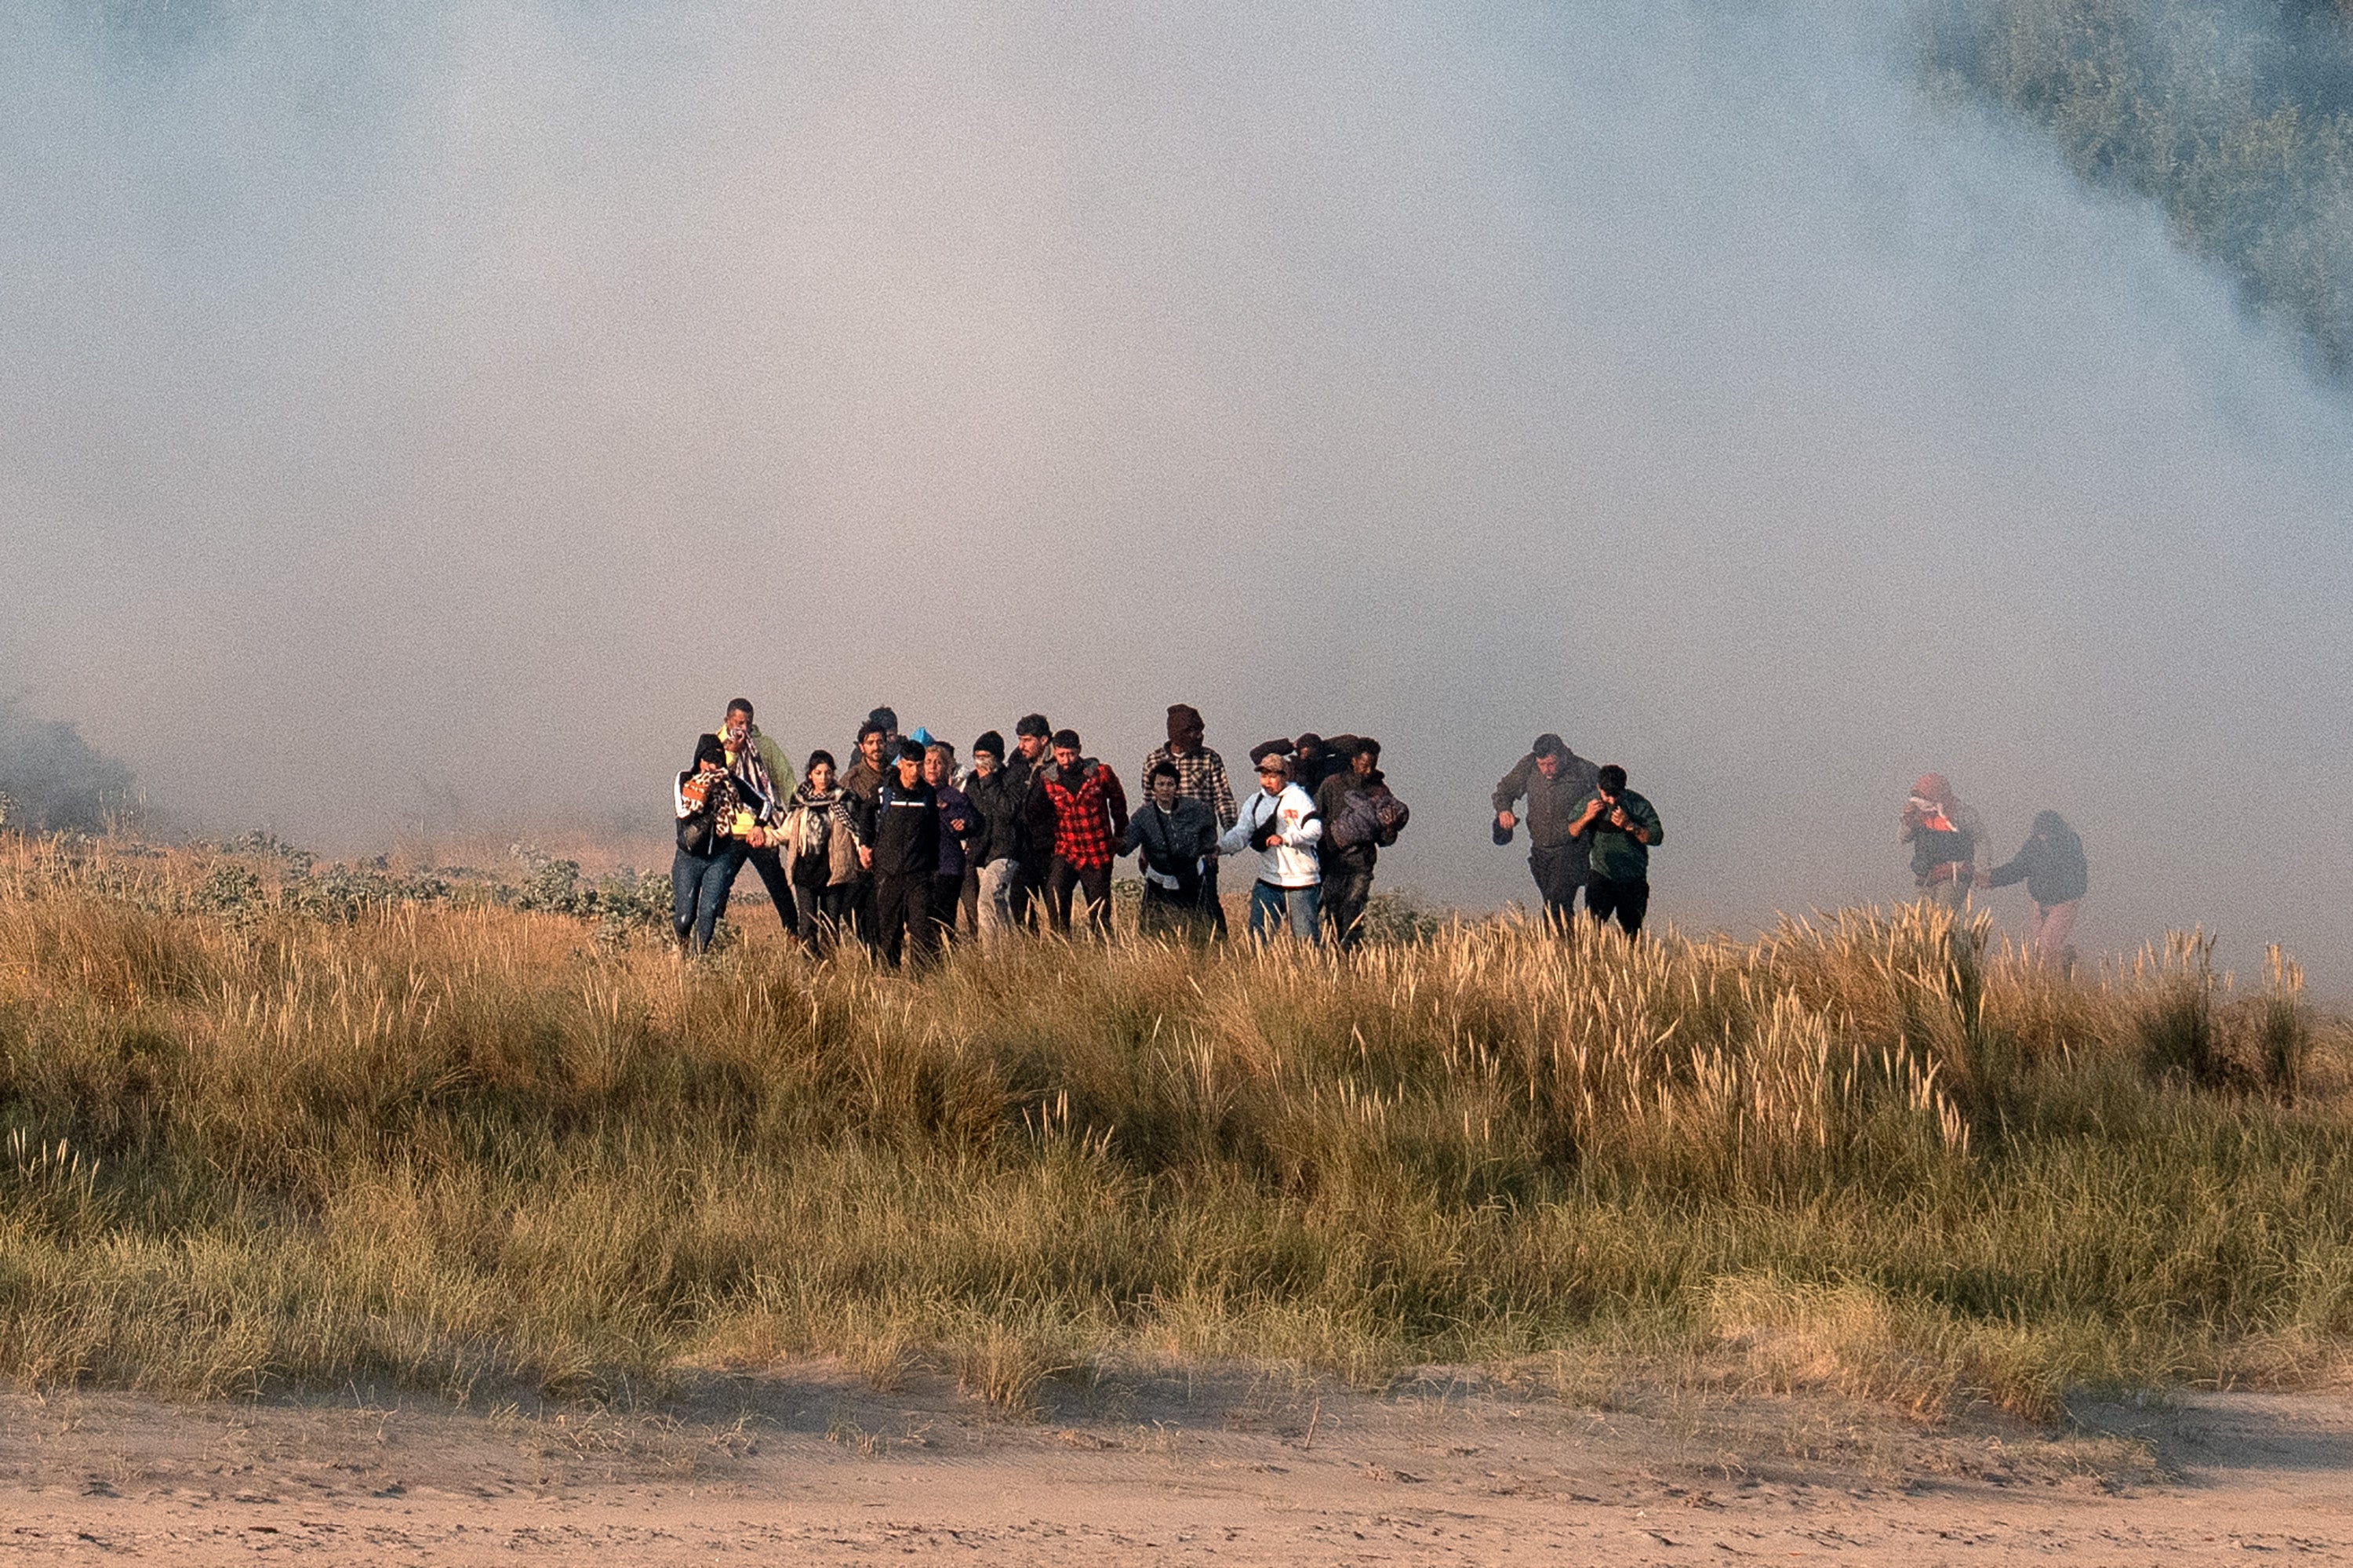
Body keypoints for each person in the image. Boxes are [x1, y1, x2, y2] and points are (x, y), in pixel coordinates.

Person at [1142, 704, 1239, 938]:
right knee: (1159, 905)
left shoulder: (1209, 759)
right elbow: (1147, 805)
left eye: (1200, 731)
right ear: (1175, 733)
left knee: (1206, 903)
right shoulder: (1154, 760)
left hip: (1201, 845)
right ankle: (1159, 953)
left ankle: (1217, 952)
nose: (1198, 736)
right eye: (1191, 731)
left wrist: (1231, 836)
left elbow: (1223, 797)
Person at [1493, 733, 1602, 926]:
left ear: (1562, 756)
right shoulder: (1528, 766)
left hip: (1572, 848)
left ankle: (1559, 948)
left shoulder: (1583, 770)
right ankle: (1568, 949)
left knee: (1556, 903)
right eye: (1542, 765)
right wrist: (1504, 810)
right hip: (1541, 850)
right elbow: (1504, 790)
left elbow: (1611, 792)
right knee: (1556, 905)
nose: (1546, 770)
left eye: (1551, 764)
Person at [671, 733, 766, 954]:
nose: (712, 767)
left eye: (717, 762)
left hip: (720, 857)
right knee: (685, 916)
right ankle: (681, 947)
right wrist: (704, 797)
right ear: (699, 760)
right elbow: (682, 813)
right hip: (689, 856)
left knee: (709, 911)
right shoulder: (685, 779)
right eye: (708, 761)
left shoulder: (731, 783)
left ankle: (698, 960)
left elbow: (764, 804)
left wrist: (758, 825)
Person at [1220, 752, 1323, 942]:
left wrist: (1286, 838)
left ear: (1284, 776)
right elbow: (1241, 833)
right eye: (1263, 776)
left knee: (1306, 943)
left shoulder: (1299, 798)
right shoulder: (1255, 801)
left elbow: (1315, 829)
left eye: (1272, 776)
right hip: (1268, 881)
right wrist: (1220, 848)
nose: (1266, 782)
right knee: (1258, 941)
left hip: (1301, 883)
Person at [1036, 729, 1129, 937]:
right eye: (1061, 755)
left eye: (1071, 754)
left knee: (1099, 911)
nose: (1067, 760)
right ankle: (1062, 944)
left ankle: (1103, 950)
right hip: (1066, 849)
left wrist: (1121, 833)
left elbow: (1118, 803)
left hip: (1097, 851)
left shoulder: (1100, 773)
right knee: (1056, 895)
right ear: (1054, 753)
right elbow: (1039, 814)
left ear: (1079, 750)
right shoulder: (1048, 779)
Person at [1315, 737, 1406, 948]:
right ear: (1354, 761)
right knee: (1333, 910)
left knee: (1354, 909)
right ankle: (1333, 955)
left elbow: (1386, 839)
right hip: (1332, 861)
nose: (1368, 771)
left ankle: (1351, 957)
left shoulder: (1380, 792)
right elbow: (1314, 817)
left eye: (1372, 766)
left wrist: (1390, 827)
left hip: (1361, 863)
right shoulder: (1332, 784)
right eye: (1364, 766)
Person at [859, 739, 940, 968]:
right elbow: (865, 814)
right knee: (889, 932)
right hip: (888, 872)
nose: (915, 771)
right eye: (910, 765)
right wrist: (865, 845)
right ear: (900, 765)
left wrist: (934, 870)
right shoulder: (884, 791)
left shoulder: (927, 795)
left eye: (919, 765)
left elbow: (934, 834)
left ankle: (921, 983)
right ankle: (889, 981)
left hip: (919, 874)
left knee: (922, 931)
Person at [720, 699, 798, 938]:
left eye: (749, 723)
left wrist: (796, 813)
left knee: (777, 885)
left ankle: (795, 934)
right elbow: (716, 777)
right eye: (739, 722)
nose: (744, 728)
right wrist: (732, 751)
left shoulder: (765, 746)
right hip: (731, 829)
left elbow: (785, 778)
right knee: (720, 885)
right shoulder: (714, 744)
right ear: (727, 721)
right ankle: (713, 935)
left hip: (762, 828)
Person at [1122, 761, 1218, 940]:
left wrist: (1207, 849)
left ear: (1176, 787)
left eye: (1170, 784)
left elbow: (1209, 827)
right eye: (1160, 784)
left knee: (1198, 930)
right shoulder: (1143, 816)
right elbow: (1127, 846)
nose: (1165, 789)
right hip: (1158, 880)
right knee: (1153, 932)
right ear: (1153, 788)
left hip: (1191, 878)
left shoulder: (1195, 809)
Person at [1566, 763, 1663, 937]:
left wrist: (1630, 826)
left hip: (1633, 879)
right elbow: (1570, 832)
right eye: (1606, 795)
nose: (1611, 800)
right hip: (1601, 876)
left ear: (1623, 789)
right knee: (1591, 933)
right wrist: (1587, 816)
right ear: (1598, 788)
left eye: (1615, 795)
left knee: (1630, 936)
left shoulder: (1637, 804)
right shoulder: (1589, 802)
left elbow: (1656, 837)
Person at [1980, 811, 2089, 965]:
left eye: (2046, 833)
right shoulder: (2033, 845)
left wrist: (2063, 895)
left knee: (2046, 948)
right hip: (2039, 902)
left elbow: (2074, 876)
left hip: (2064, 903)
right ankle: (2065, 962)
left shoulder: (2069, 845)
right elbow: (2018, 868)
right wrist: (1992, 879)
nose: (2042, 837)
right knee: (2041, 948)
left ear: (2055, 831)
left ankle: (2056, 974)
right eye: (2039, 833)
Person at [780, 750, 860, 954]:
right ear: (810, 774)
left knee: (830, 925)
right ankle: (809, 972)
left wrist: (866, 853)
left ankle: (830, 969)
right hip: (805, 870)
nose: (823, 778)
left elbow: (857, 833)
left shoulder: (845, 800)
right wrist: (764, 837)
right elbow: (787, 830)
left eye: (827, 773)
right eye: (818, 773)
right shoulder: (800, 801)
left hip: (834, 872)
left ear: (833, 774)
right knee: (806, 926)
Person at [962, 731, 1027, 945]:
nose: (981, 762)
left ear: (998, 757)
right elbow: (970, 813)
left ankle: (991, 956)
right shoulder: (971, 783)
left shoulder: (1012, 778)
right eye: (977, 757)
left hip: (1007, 850)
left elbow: (1008, 811)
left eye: (986, 757)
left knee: (988, 900)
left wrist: (989, 781)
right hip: (982, 852)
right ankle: (1009, 948)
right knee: (996, 904)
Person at [839, 719, 893, 944]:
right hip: (860, 860)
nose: (876, 746)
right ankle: (870, 953)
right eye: (870, 742)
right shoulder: (851, 781)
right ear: (861, 747)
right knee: (854, 911)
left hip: (892, 856)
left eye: (880, 741)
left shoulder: (897, 775)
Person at [1902, 773, 1982, 913]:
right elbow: (1903, 838)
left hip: (1953, 876)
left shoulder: (1962, 814)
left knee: (1942, 917)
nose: (1921, 802)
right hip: (1925, 877)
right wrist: (1908, 818)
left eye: (1924, 797)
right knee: (1917, 921)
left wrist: (1982, 871)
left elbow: (1981, 840)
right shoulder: (1918, 815)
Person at [925, 740, 978, 945]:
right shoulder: (917, 794)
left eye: (938, 762)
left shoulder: (955, 796)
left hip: (948, 865)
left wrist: (957, 820)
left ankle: (948, 957)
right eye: (928, 761)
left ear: (946, 768)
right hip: (922, 865)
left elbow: (971, 822)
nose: (932, 766)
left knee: (944, 918)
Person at [1005, 713, 1055, 928]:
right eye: (1020, 739)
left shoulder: (1058, 764)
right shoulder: (1016, 763)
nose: (1021, 746)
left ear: (1043, 740)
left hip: (1050, 846)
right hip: (1022, 846)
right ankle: (1026, 948)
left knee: (1054, 904)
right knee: (1019, 903)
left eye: (1027, 740)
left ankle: (1060, 947)